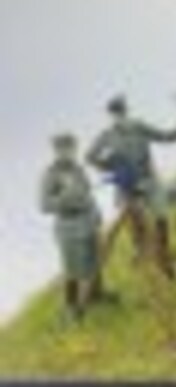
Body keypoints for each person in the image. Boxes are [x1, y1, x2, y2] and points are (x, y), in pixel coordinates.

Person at [87, 95, 176, 279]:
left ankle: (165, 257)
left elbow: (162, 136)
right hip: (127, 187)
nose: (119, 116)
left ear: (125, 111)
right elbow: (90, 156)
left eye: (121, 111)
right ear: (111, 115)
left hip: (148, 180)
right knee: (134, 224)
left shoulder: (139, 126)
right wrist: (110, 165)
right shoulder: (107, 135)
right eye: (115, 113)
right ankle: (140, 252)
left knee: (161, 217)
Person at [40, 133, 113, 323]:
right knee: (72, 270)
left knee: (95, 261)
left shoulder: (78, 169)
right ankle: (70, 308)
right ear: (56, 151)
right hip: (69, 228)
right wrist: (66, 198)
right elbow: (44, 205)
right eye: (64, 149)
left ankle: (97, 295)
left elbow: (88, 194)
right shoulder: (51, 175)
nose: (69, 152)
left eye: (71, 148)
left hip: (88, 222)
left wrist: (97, 217)